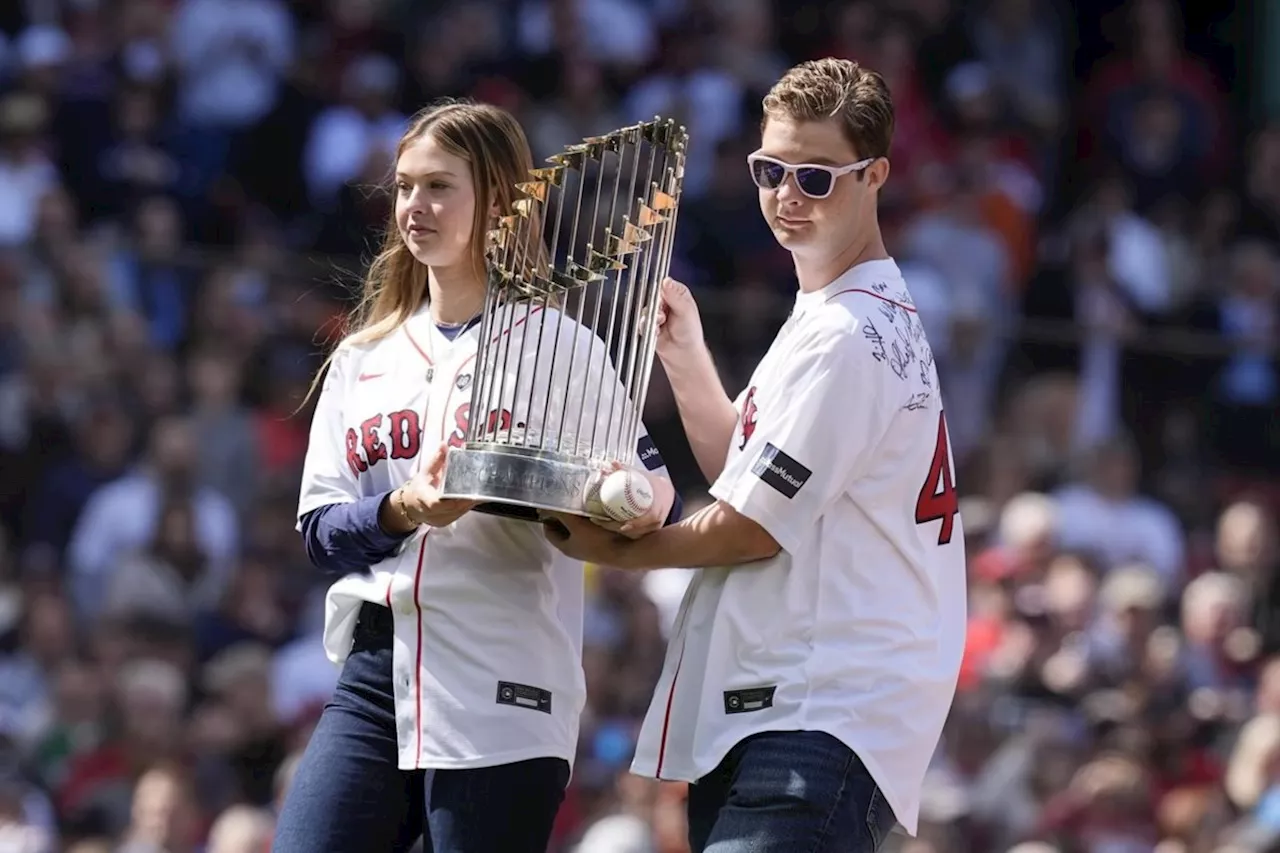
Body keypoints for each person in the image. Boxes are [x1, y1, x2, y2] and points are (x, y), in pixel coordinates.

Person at [545, 58, 967, 852]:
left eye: (815, 177)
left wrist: (614, 549)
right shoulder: (835, 311)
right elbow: (745, 467)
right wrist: (685, 353)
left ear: (874, 176)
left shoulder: (846, 334)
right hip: (795, 710)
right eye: (769, 170)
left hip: (821, 713)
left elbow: (750, 526)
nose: (785, 195)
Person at [273, 99, 681, 853]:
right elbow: (322, 532)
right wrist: (404, 507)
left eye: (438, 186)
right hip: (375, 670)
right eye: (403, 186)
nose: (413, 206)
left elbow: (652, 496)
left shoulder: (561, 347)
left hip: (505, 679)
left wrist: (607, 500)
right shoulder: (366, 356)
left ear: (498, 200)